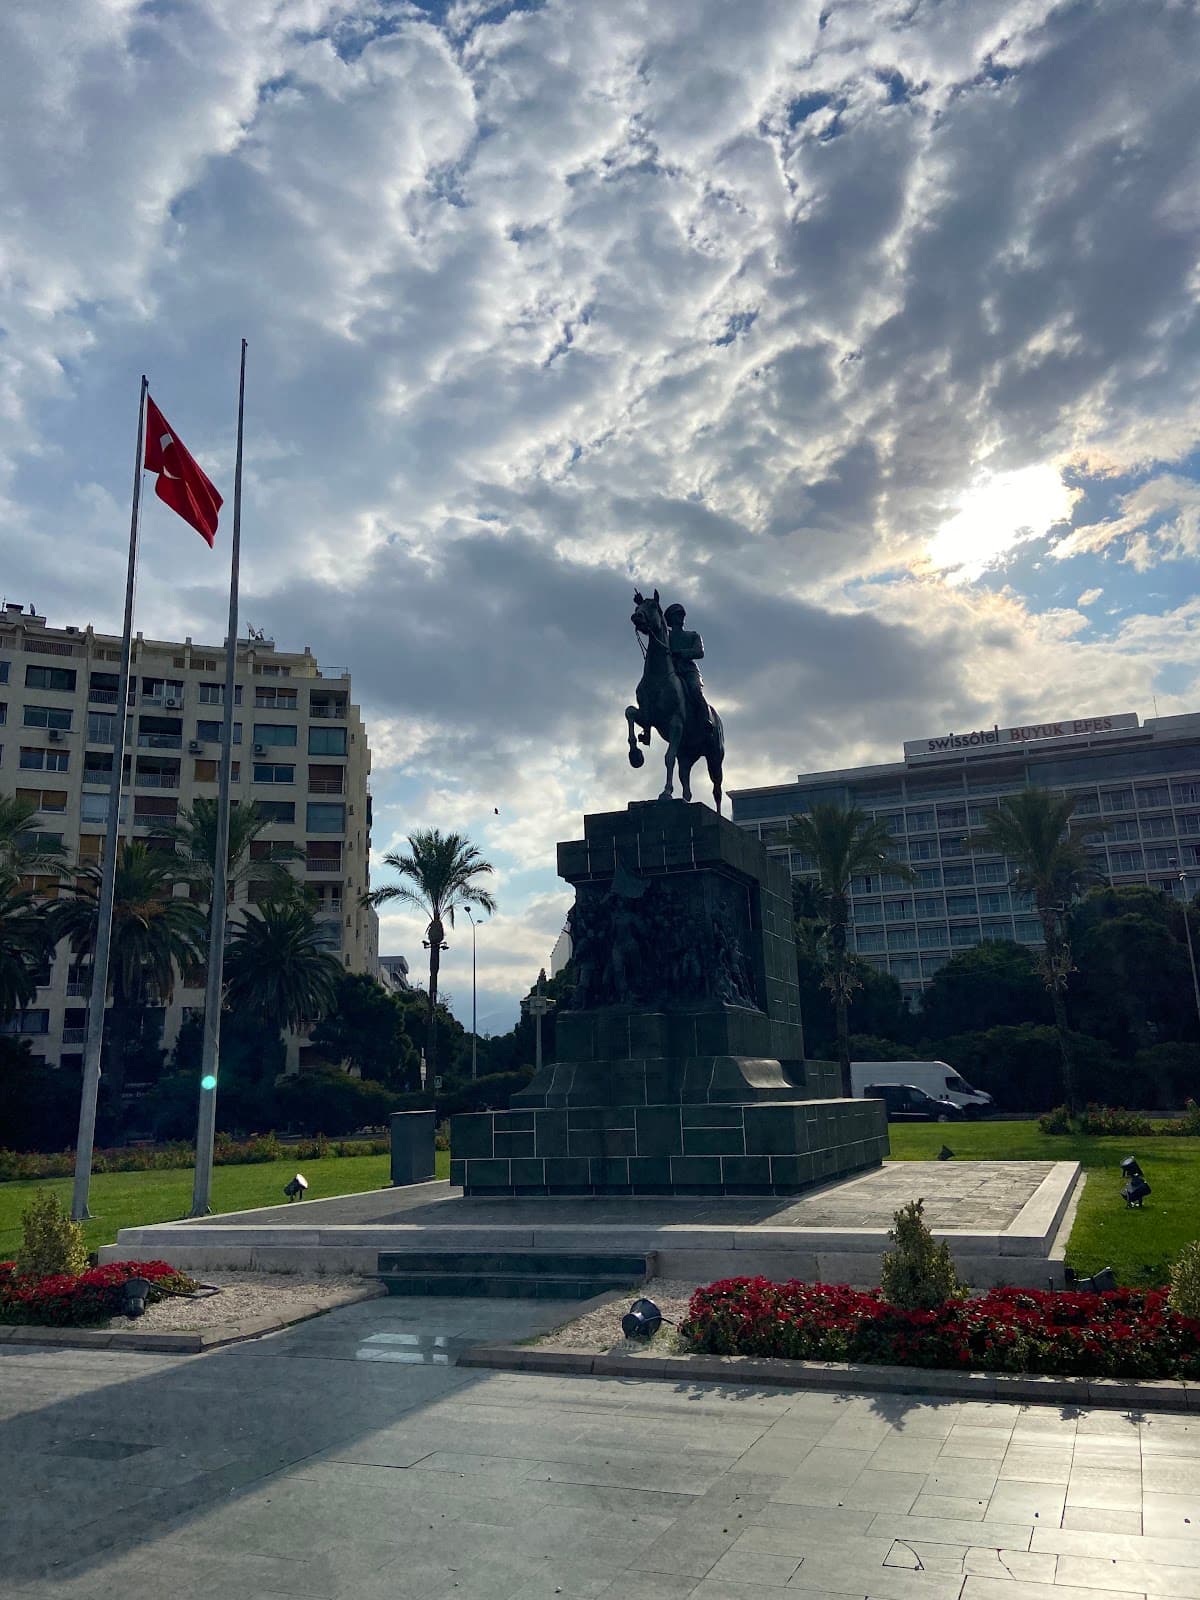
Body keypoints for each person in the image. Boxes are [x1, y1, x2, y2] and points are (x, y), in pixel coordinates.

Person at [664, 603, 713, 730]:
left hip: (689, 671)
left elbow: (699, 652)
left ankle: (706, 719)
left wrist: (681, 653)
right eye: (677, 615)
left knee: (695, 689)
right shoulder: (666, 637)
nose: (681, 617)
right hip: (671, 670)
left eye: (682, 615)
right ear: (670, 619)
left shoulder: (693, 636)